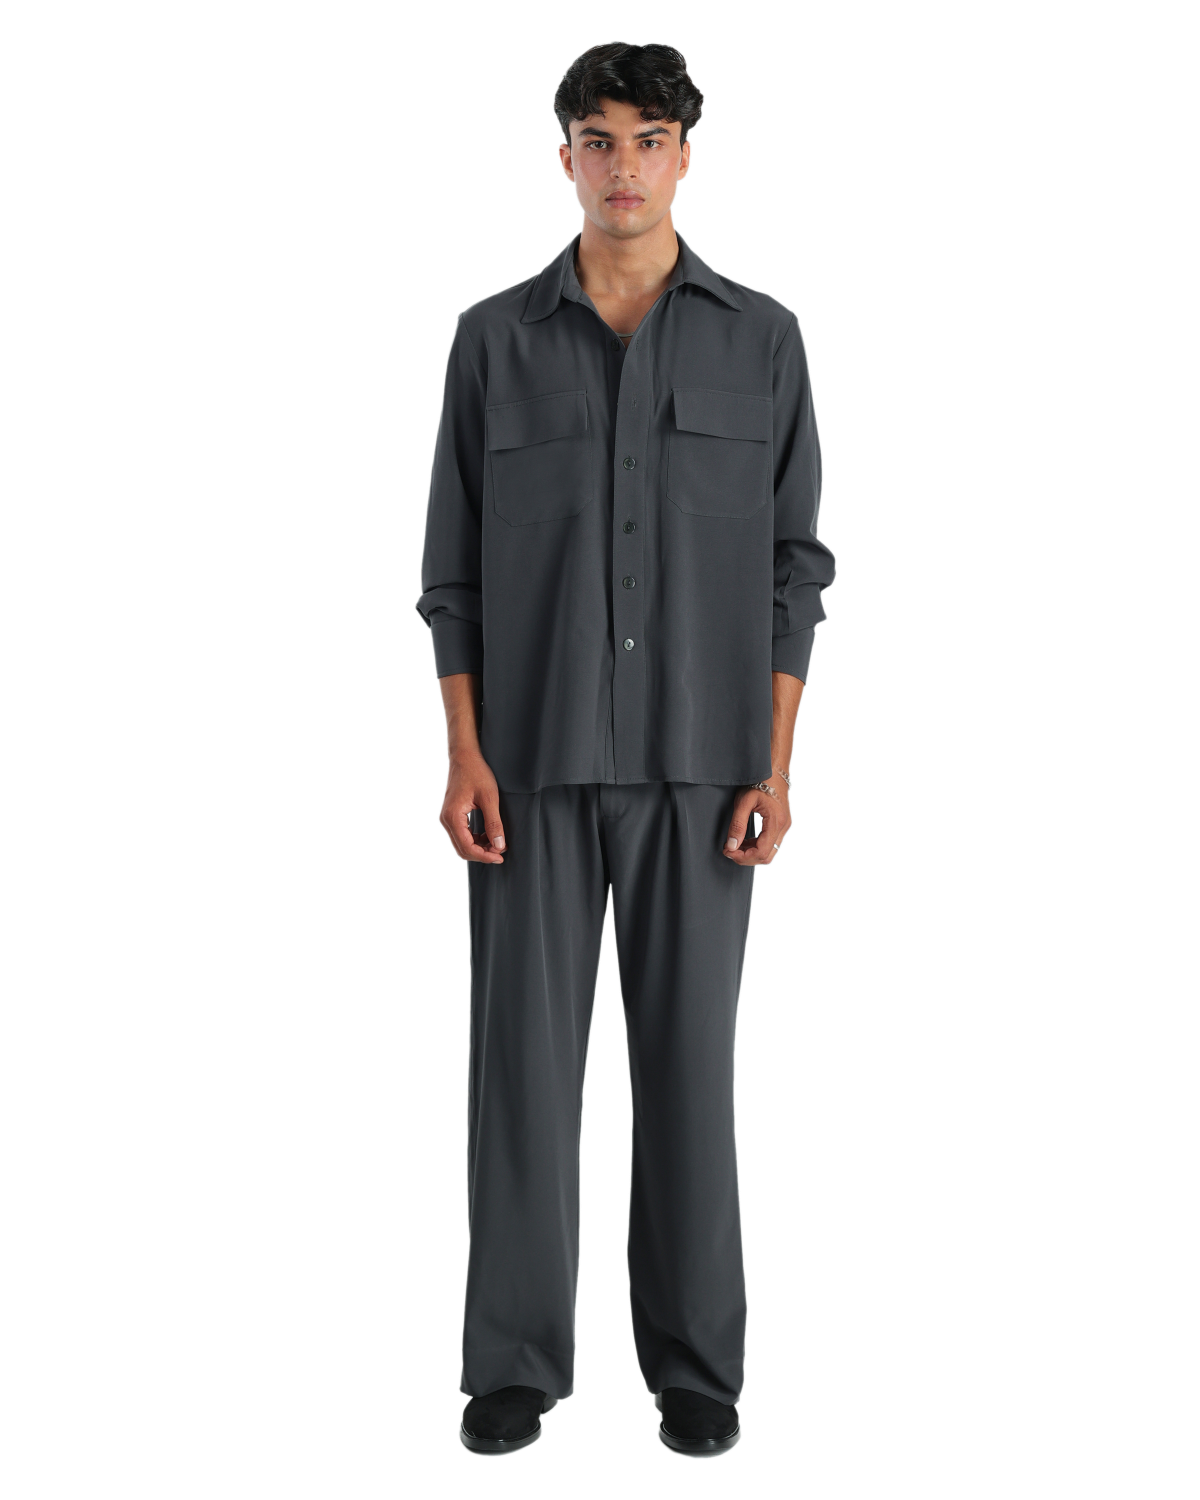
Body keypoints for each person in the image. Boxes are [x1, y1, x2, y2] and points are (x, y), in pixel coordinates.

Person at [414, 39, 837, 1460]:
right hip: (528, 759)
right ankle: (515, 1365)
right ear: (564, 160)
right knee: (520, 1071)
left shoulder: (763, 338)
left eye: (649, 140)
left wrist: (775, 760)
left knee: (691, 1068)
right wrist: (463, 751)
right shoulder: (491, 339)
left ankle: (697, 1367)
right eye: (598, 140)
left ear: (686, 157)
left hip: (703, 761)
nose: (624, 167)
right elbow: (451, 571)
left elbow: (795, 569)